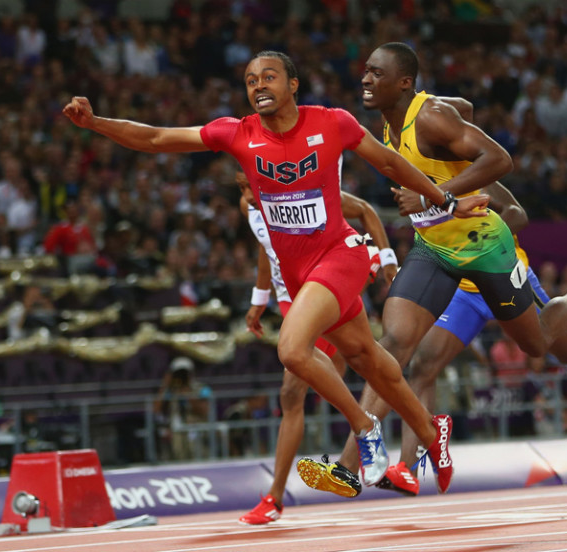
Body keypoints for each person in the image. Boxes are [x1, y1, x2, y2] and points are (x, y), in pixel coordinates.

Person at [63, 50, 488, 497]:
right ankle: (430, 432)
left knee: (291, 349)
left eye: (269, 77)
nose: (259, 86)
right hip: (299, 272)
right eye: (250, 81)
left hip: (340, 256)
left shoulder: (333, 122)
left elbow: (389, 163)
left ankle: (364, 428)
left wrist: (444, 200)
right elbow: (154, 138)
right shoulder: (236, 133)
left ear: (293, 84)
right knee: (371, 362)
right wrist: (96, 123)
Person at [296, 42, 567, 497]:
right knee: (393, 347)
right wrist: (450, 117)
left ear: (403, 82)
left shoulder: (430, 118)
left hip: (486, 249)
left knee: (539, 343)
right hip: (434, 250)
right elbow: (460, 109)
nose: (365, 79)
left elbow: (500, 159)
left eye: (376, 72)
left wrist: (434, 192)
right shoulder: (393, 126)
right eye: (364, 71)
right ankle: (351, 467)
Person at [235, 169, 397, 525]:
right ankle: (373, 432)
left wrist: (384, 258)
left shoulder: (301, 191)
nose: (247, 195)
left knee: (297, 385)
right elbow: (266, 248)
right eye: (242, 188)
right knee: (297, 393)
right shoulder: (250, 206)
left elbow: (366, 210)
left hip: (319, 288)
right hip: (287, 298)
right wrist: (258, 300)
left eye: (251, 187)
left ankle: (367, 432)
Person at [154, 356, 212, 461]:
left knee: (199, 459)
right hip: (177, 433)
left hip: (197, 431)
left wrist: (188, 394)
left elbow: (205, 411)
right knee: (179, 459)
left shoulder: (202, 389)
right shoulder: (170, 391)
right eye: (178, 373)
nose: (182, 377)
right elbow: (156, 410)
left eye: (184, 373)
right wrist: (165, 385)